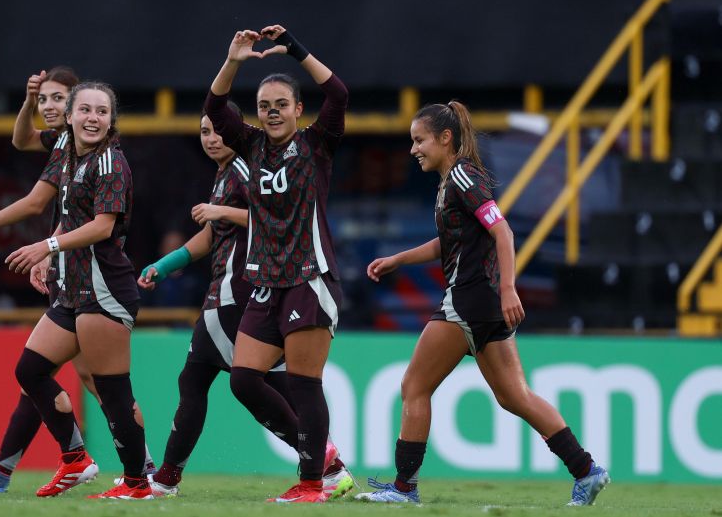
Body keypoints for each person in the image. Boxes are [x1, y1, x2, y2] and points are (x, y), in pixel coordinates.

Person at [355, 102, 611, 506]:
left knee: (414, 386)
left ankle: (404, 489)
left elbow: (503, 232)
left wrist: (509, 287)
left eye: (419, 140)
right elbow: (452, 241)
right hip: (483, 301)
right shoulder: (453, 180)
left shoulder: (460, 175)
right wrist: (399, 259)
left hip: (469, 299)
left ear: (445, 139)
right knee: (514, 396)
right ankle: (587, 470)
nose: (413, 149)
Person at [137, 106, 355, 499]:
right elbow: (208, 236)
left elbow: (276, 213)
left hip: (238, 292)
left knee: (217, 379)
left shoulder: (244, 167)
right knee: (246, 381)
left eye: (217, 131)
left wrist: (221, 211)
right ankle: (327, 464)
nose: (211, 138)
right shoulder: (225, 174)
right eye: (204, 132)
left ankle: (167, 478)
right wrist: (165, 265)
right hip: (232, 292)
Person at [204, 25, 349, 503]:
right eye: (265, 105)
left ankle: (314, 483)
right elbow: (213, 108)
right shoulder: (249, 145)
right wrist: (234, 60)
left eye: (281, 104)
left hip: (310, 279)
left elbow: (338, 92)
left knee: (305, 385)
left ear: (297, 109)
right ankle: (322, 463)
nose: (271, 112)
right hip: (266, 282)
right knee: (244, 380)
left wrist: (297, 50)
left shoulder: (316, 144)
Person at [5, 81, 155, 500]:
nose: (93, 118)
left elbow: (103, 226)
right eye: (85, 110)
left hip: (106, 291)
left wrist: (46, 246)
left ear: (111, 120)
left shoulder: (111, 162)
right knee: (30, 371)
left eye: (102, 111)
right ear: (68, 117)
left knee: (112, 391)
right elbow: (22, 140)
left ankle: (138, 482)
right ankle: (75, 458)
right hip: (72, 292)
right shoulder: (66, 153)